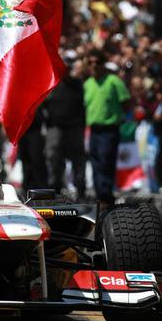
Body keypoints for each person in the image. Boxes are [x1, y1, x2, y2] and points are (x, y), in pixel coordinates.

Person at [83, 49, 130, 207]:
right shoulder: (87, 84)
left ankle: (106, 196)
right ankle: (100, 196)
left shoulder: (114, 81)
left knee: (105, 162)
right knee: (96, 163)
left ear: (103, 64)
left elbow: (126, 102)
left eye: (97, 62)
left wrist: (118, 117)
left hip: (109, 130)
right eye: (90, 63)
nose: (94, 65)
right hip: (94, 130)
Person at [43, 55, 86, 200]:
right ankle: (55, 189)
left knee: (78, 161)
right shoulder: (51, 85)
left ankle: (80, 189)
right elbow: (43, 106)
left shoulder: (77, 84)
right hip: (55, 128)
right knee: (54, 159)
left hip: (74, 128)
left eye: (66, 68)